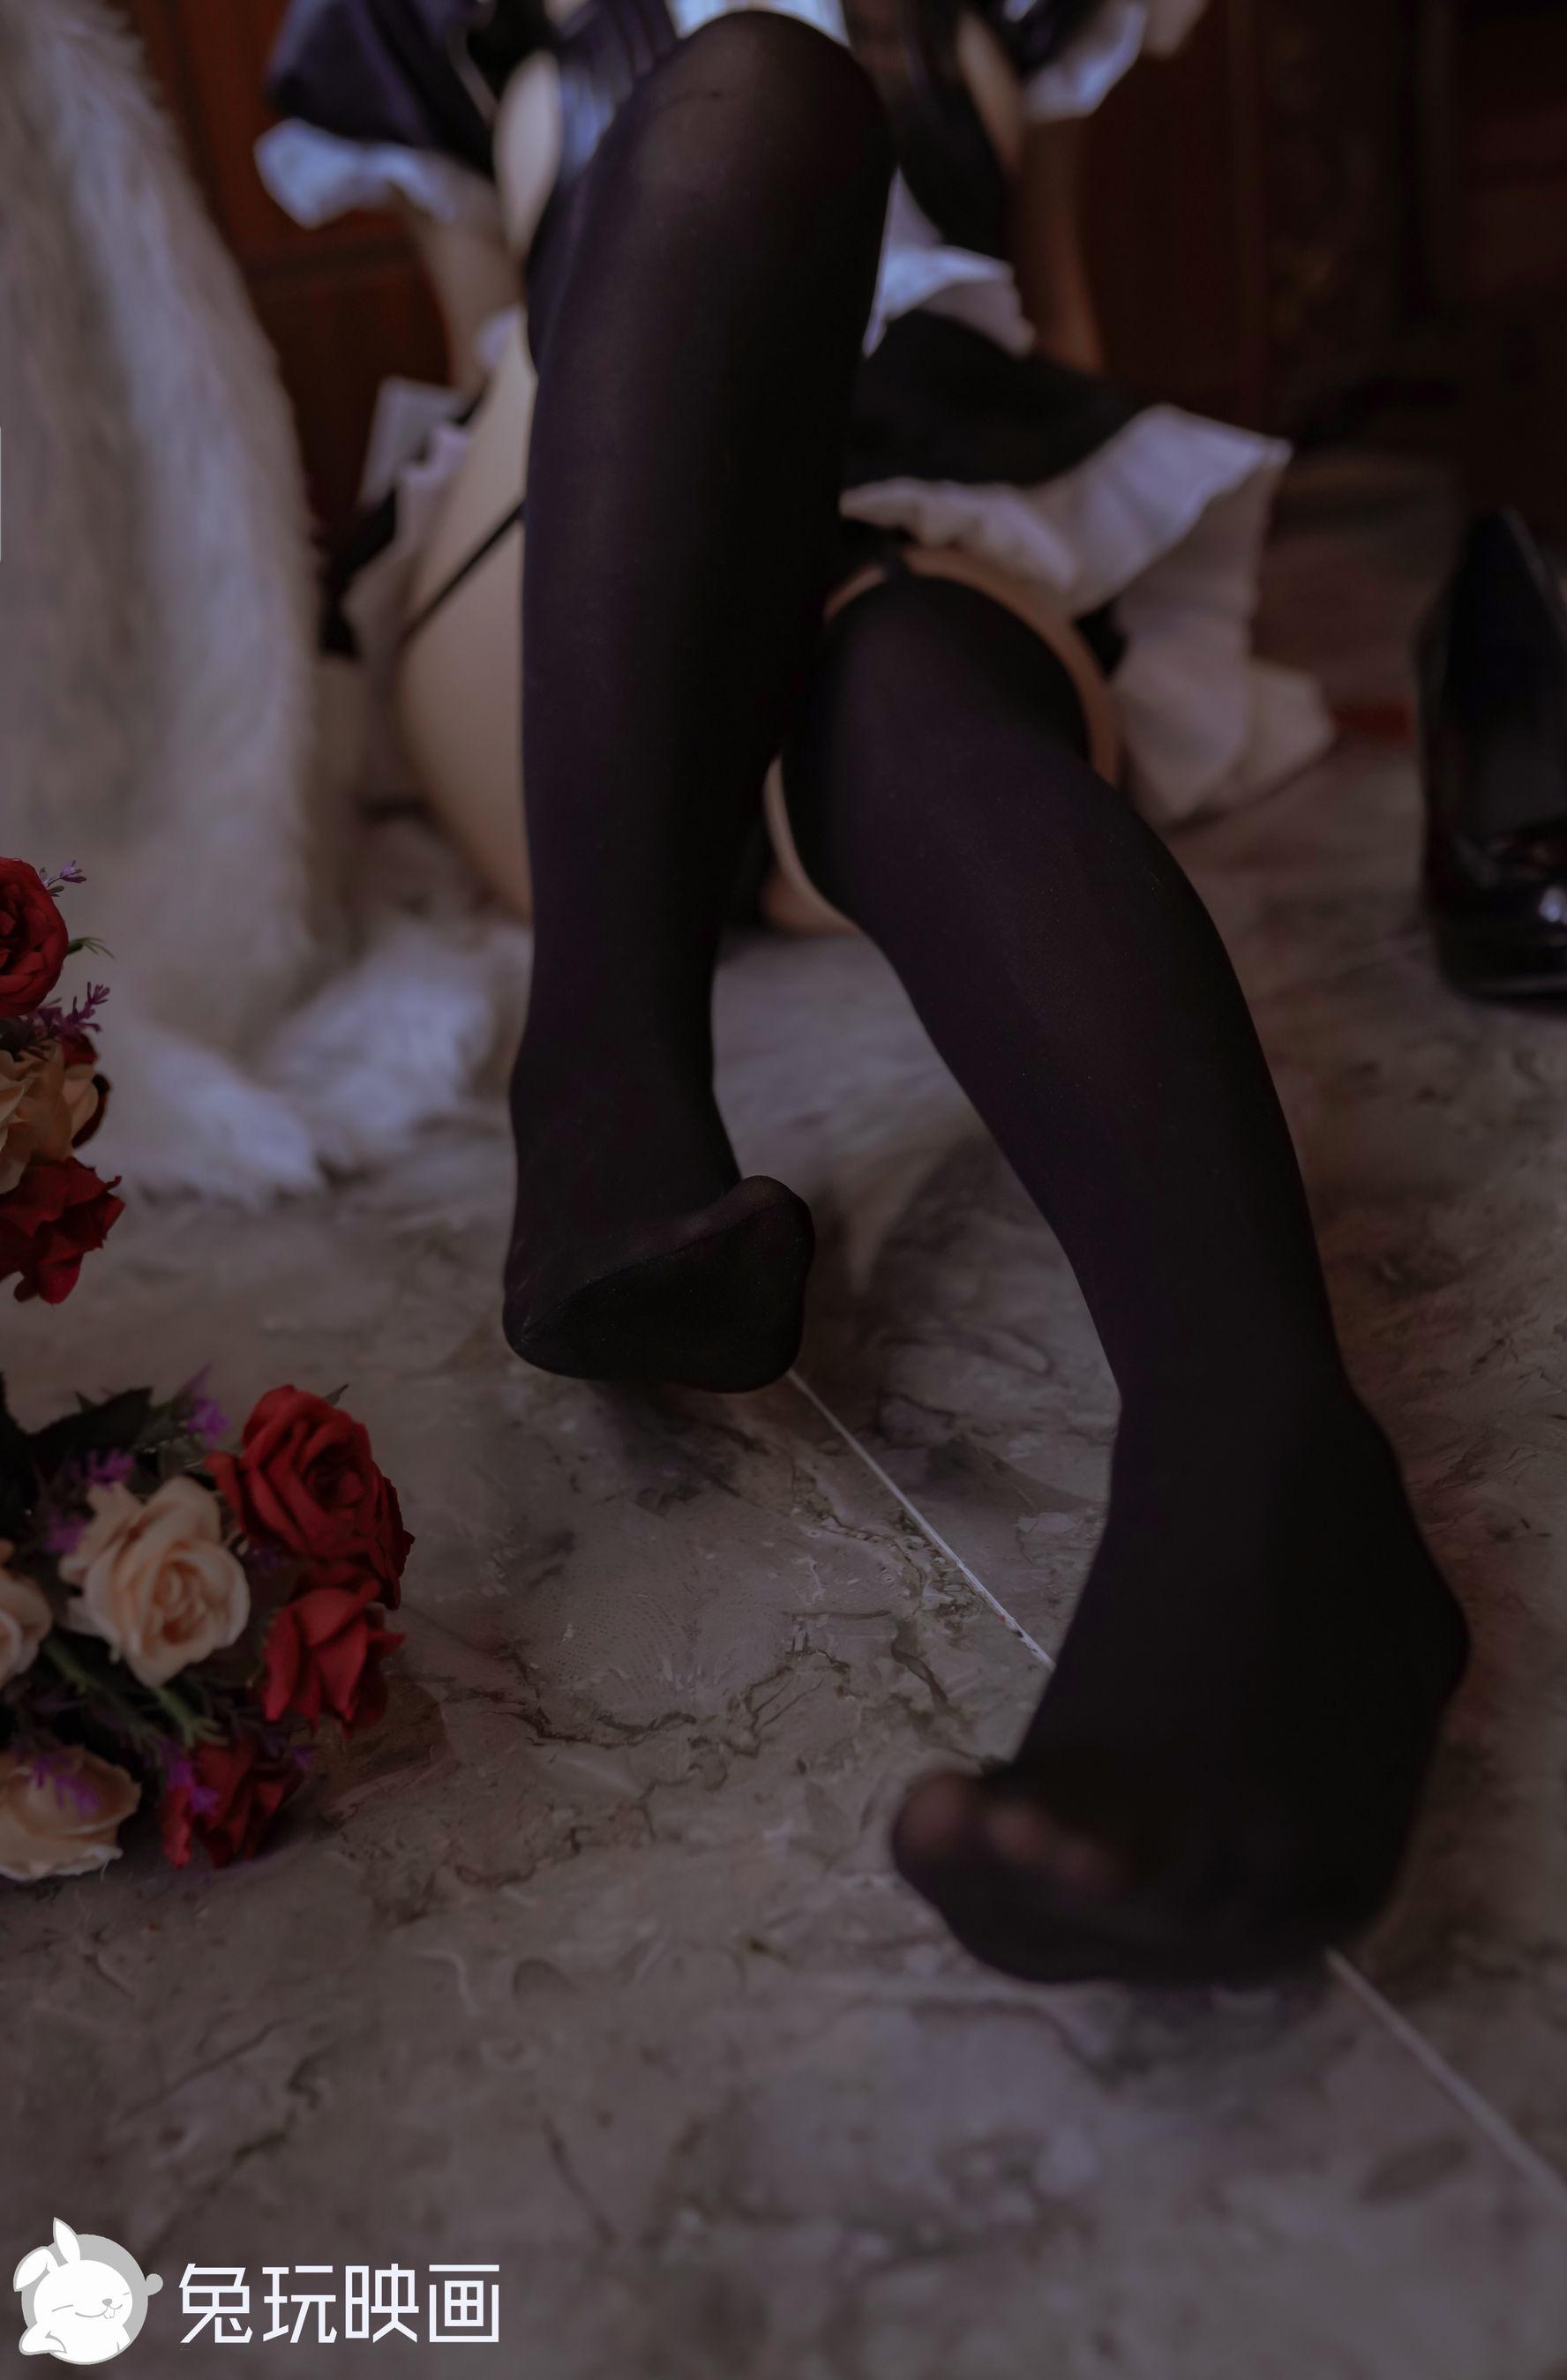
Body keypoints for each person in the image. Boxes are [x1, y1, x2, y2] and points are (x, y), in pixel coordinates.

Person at [259, 0, 1468, 1987]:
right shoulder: (449, 20)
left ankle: (1260, 1454)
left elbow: (1049, 323)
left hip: (928, 494)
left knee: (893, 669)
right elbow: (488, 351)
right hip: (581, 548)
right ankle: (607, 1069)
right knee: (755, 95)